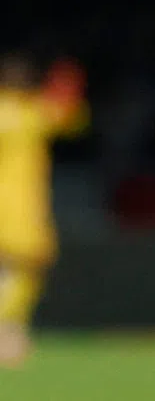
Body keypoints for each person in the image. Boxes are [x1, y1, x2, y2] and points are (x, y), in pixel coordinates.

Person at [0, 54, 88, 367]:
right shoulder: (27, 112)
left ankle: (9, 332)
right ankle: (5, 327)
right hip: (17, 207)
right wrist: (67, 84)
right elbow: (69, 117)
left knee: (14, 269)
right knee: (28, 265)